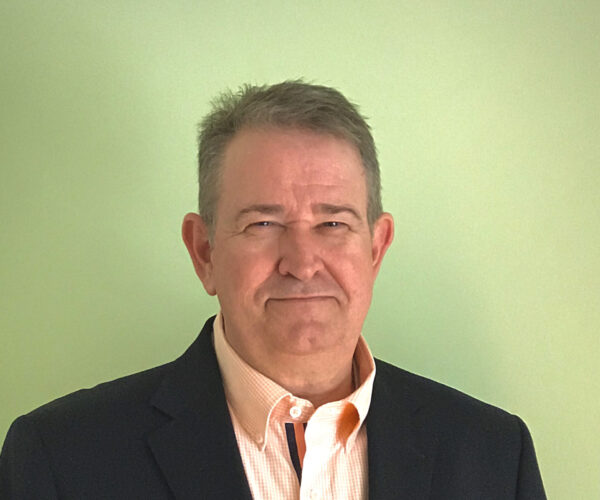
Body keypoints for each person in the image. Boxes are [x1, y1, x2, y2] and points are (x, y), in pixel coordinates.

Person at [0, 81, 546, 499]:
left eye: (333, 223)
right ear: (204, 252)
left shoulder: (495, 456)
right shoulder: (59, 459)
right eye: (263, 224)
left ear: (376, 249)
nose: (303, 263)